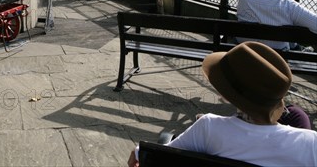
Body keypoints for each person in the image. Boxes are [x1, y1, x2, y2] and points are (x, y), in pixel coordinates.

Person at [127, 41, 317, 167]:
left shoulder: (209, 128)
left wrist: (137, 151)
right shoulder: (310, 144)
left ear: (228, 95)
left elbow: (150, 156)